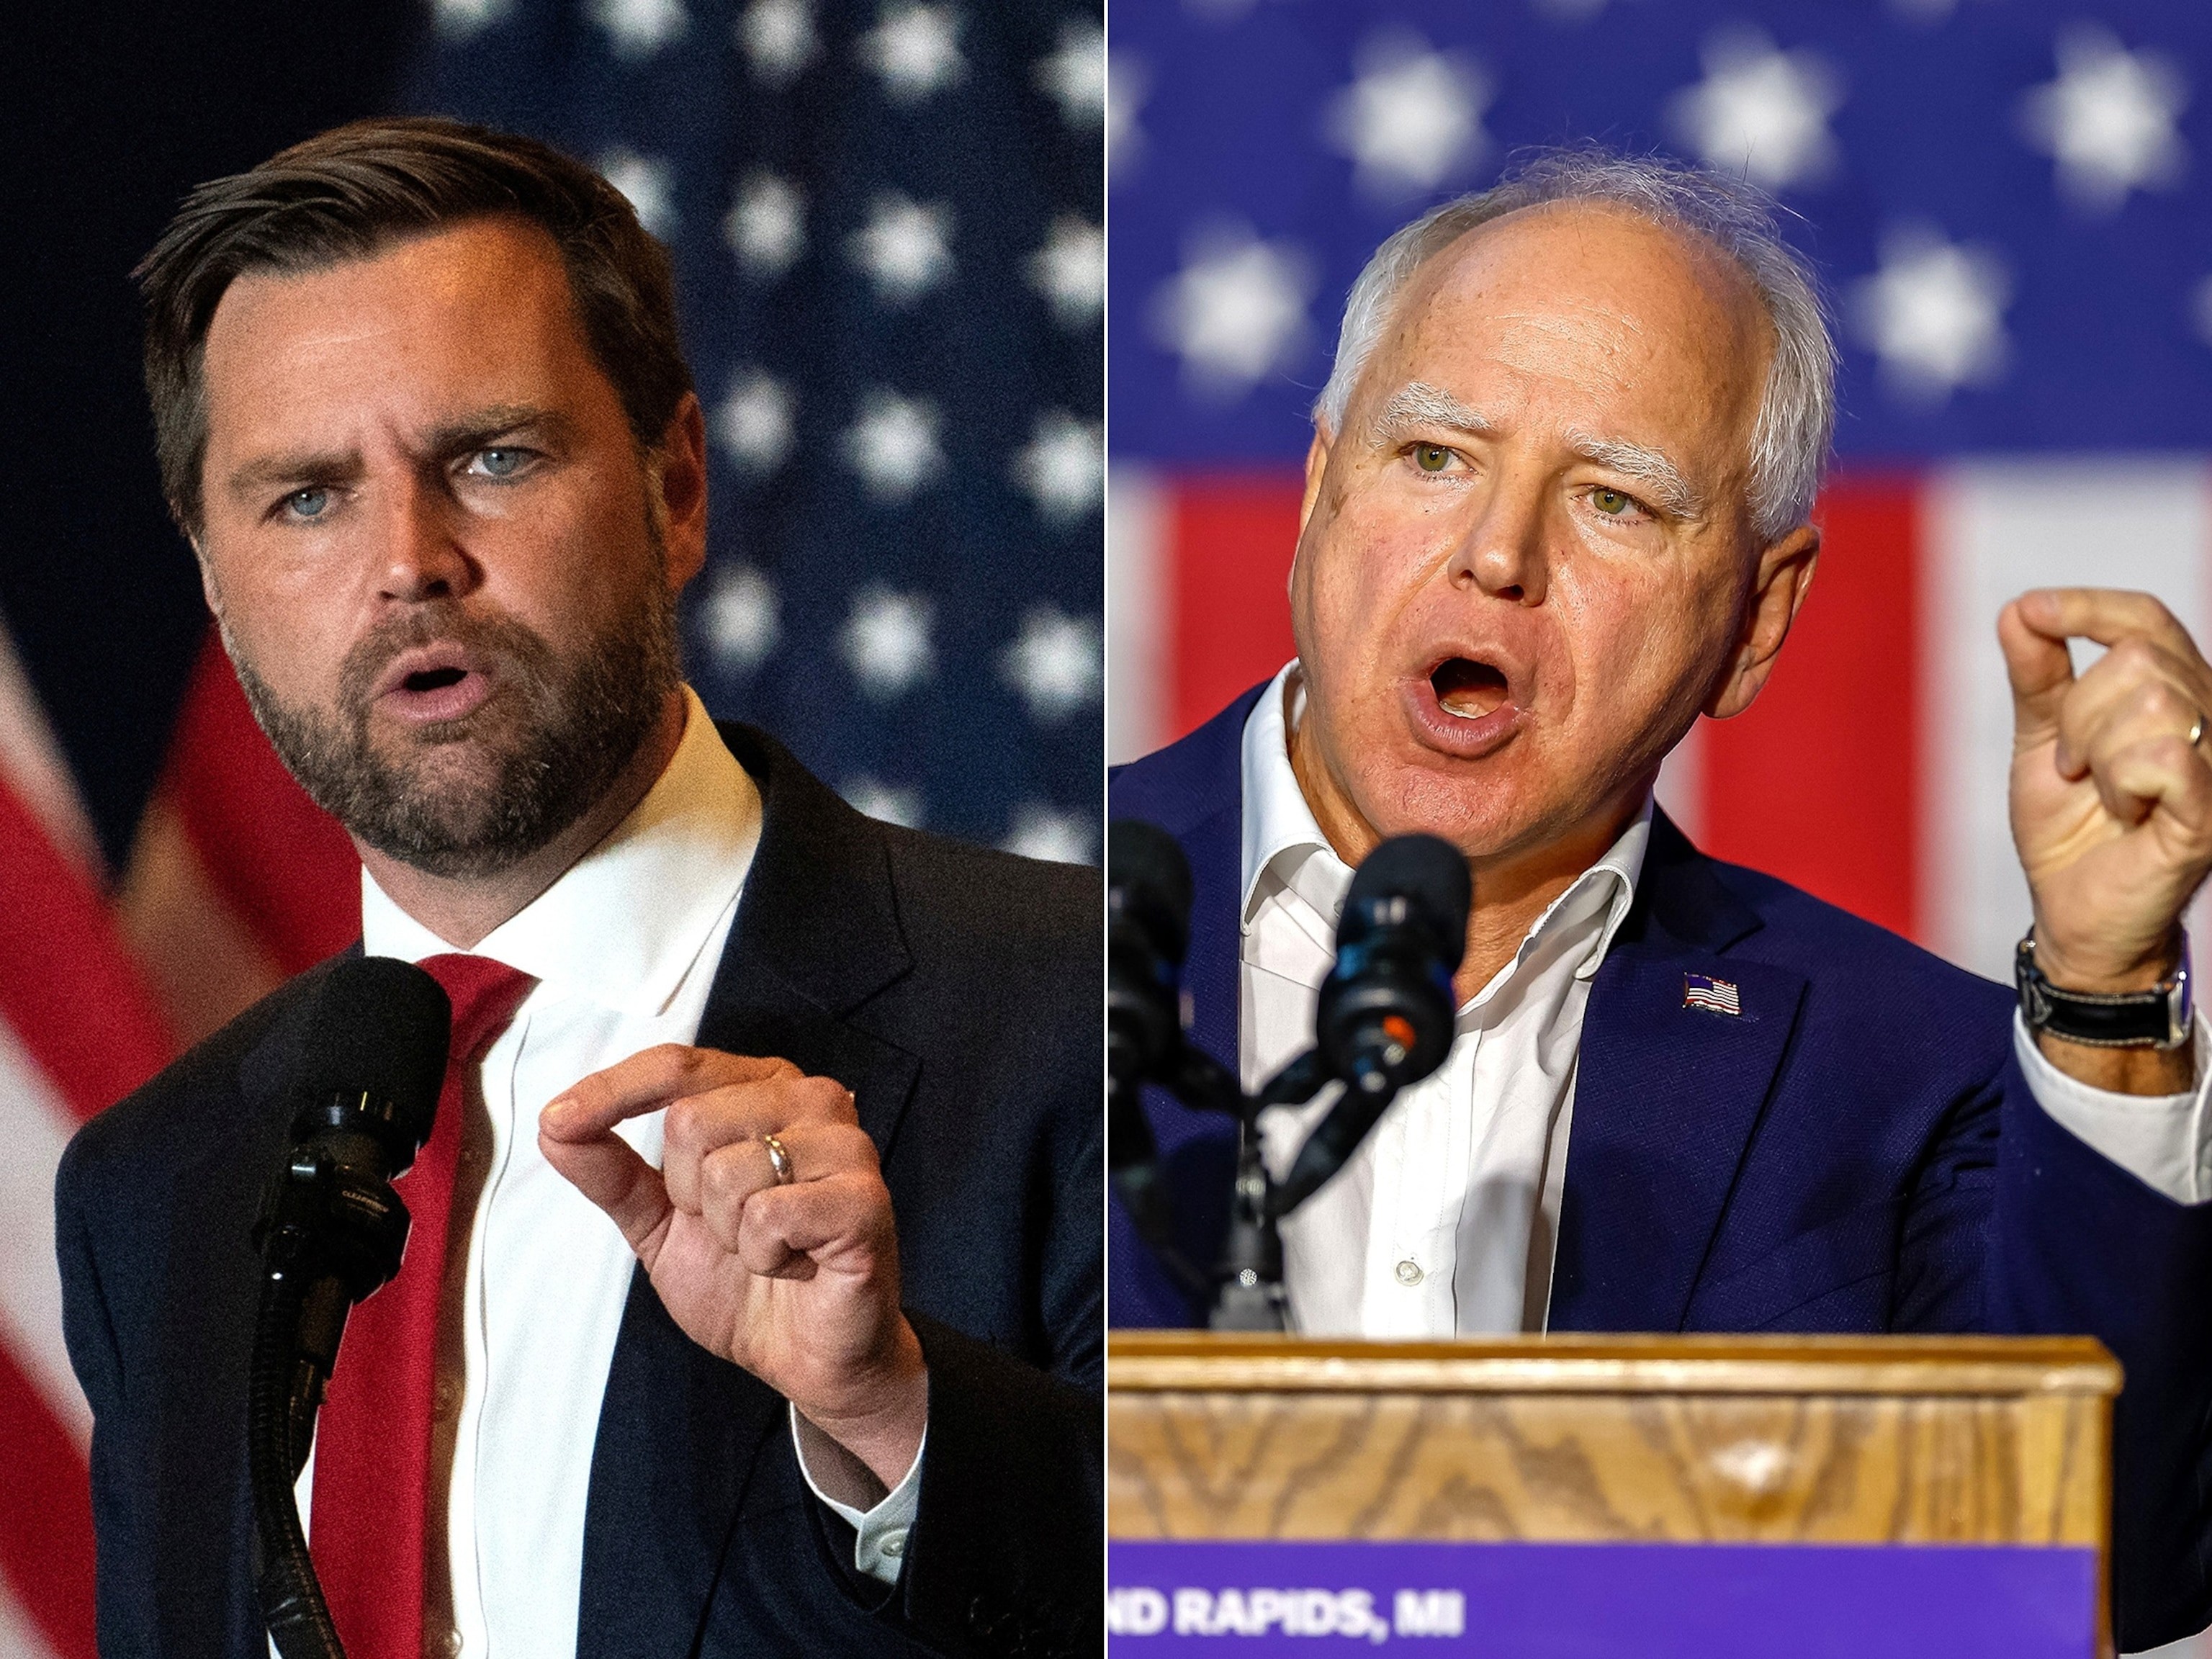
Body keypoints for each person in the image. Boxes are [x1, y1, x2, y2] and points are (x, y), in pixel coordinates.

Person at [1108, 148, 2212, 1651]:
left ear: (1757, 621)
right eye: (1434, 457)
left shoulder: (1900, 1072)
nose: (1496, 556)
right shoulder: (1023, 930)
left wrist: (2106, 981)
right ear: (1318, 495)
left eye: (1618, 501)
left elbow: (2095, 1567)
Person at [55, 118, 1099, 1659]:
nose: (410, 560)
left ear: (677, 488)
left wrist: (893, 1417)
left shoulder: (1092, 1011)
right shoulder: (156, 1190)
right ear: (213, 573)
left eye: (492, 456)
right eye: (305, 496)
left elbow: (1367, 1609)